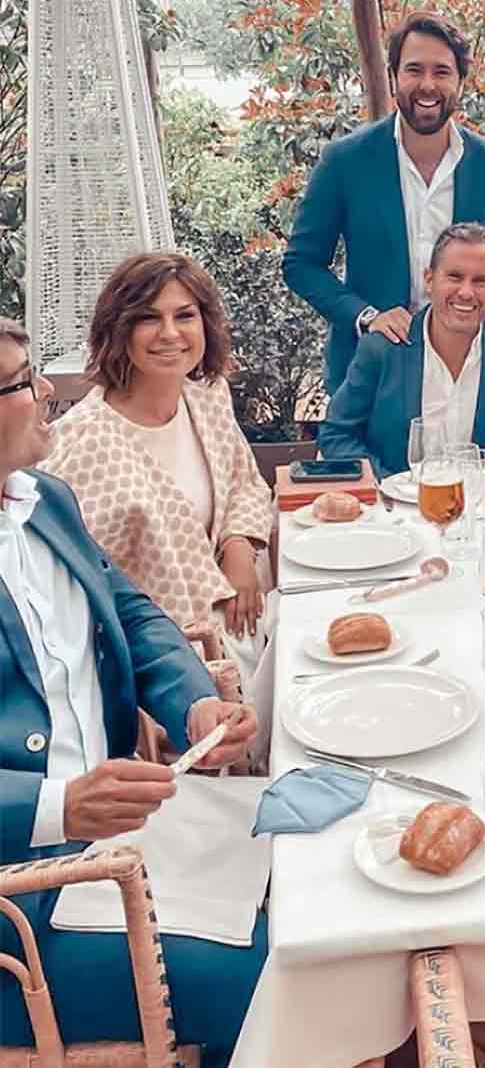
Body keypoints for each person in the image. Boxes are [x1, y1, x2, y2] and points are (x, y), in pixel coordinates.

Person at [0, 317, 264, 1065]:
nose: (49, 390)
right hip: (23, 921)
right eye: (23, 381)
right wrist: (57, 806)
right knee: (280, 965)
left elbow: (132, 614)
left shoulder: (42, 498)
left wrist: (192, 706)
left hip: (133, 840)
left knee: (310, 866)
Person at [42, 253, 274, 690]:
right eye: (148, 318)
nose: (170, 333)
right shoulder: (79, 445)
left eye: (184, 315)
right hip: (158, 673)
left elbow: (244, 481)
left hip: (239, 635)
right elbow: (76, 587)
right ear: (118, 329)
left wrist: (239, 541)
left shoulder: (206, 397)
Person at [282, 12, 485, 394]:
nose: (427, 85)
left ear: (460, 83)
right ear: (394, 76)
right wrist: (367, 317)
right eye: (414, 70)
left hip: (468, 367)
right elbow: (301, 263)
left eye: (442, 72)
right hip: (372, 371)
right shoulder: (346, 160)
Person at [318, 223, 485, 475]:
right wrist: (387, 484)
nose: (466, 292)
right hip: (397, 508)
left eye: (480, 281)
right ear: (429, 280)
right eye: (454, 277)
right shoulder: (383, 348)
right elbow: (336, 435)